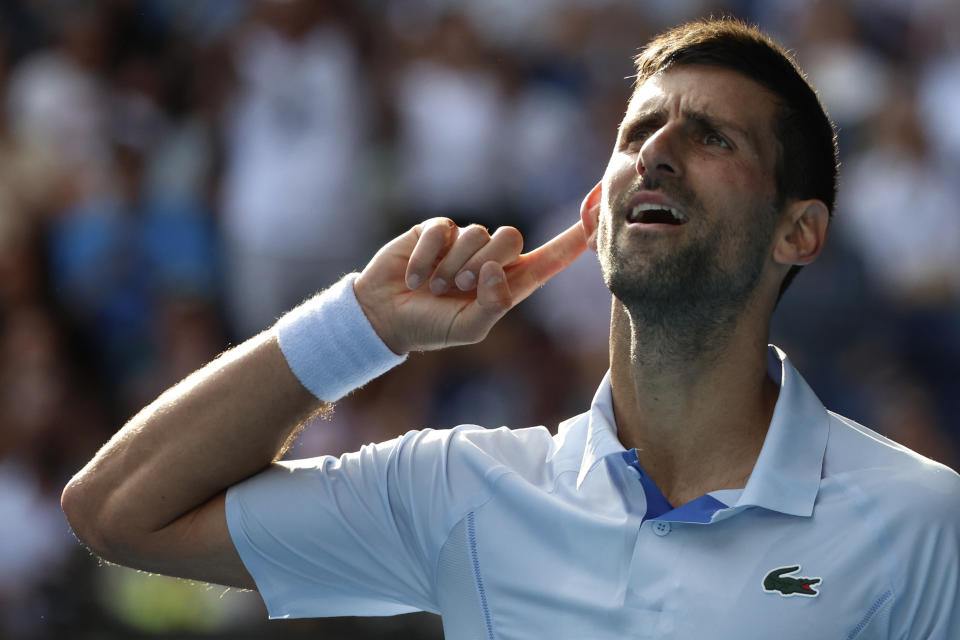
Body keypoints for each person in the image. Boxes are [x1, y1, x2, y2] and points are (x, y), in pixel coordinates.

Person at [61, 18, 959, 639]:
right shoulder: (463, 488)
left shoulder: (923, 522)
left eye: (714, 138)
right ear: (597, 208)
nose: (656, 150)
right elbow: (117, 513)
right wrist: (363, 328)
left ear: (799, 233)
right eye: (640, 131)